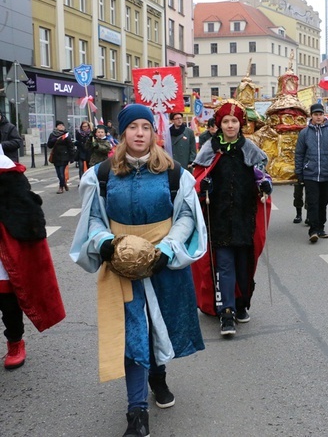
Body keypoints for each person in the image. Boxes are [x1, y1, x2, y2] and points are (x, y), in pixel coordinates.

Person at [70, 104, 207, 437]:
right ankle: (137, 411)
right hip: (121, 263)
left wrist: (167, 248)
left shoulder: (175, 173)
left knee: (158, 324)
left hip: (163, 261)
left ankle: (157, 376)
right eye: (133, 127)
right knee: (133, 331)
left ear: (153, 132)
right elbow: (93, 217)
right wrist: (104, 242)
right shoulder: (101, 174)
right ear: (123, 132)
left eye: (146, 127)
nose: (140, 134)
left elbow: (187, 216)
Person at [192, 99, 272, 336]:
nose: (230, 125)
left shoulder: (251, 151)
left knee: (243, 265)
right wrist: (204, 187)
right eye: (225, 121)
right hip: (218, 219)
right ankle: (226, 312)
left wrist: (265, 187)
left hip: (245, 218)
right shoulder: (208, 151)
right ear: (218, 124)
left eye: (234, 121)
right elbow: (196, 181)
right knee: (224, 265)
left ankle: (240, 304)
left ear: (241, 124)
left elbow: (262, 179)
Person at [0, 145, 65, 370]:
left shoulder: (8, 173)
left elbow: (25, 210)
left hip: (3, 248)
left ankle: (15, 341)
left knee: (7, 301)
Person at [294, 102, 328, 243]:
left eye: (320, 114)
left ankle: (321, 227)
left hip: (326, 173)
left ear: (324, 115)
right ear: (311, 116)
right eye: (316, 114)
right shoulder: (304, 133)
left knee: (323, 201)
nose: (318, 117)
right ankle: (313, 230)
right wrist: (299, 172)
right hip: (310, 173)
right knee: (313, 201)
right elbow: (299, 154)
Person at [47, 120, 76, 194]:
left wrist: (72, 157)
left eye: (62, 125)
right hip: (56, 156)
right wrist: (55, 139)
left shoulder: (66, 135)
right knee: (58, 174)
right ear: (56, 127)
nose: (61, 127)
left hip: (64, 156)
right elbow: (49, 145)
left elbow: (70, 146)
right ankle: (64, 184)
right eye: (59, 125)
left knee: (61, 172)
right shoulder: (52, 134)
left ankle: (61, 187)